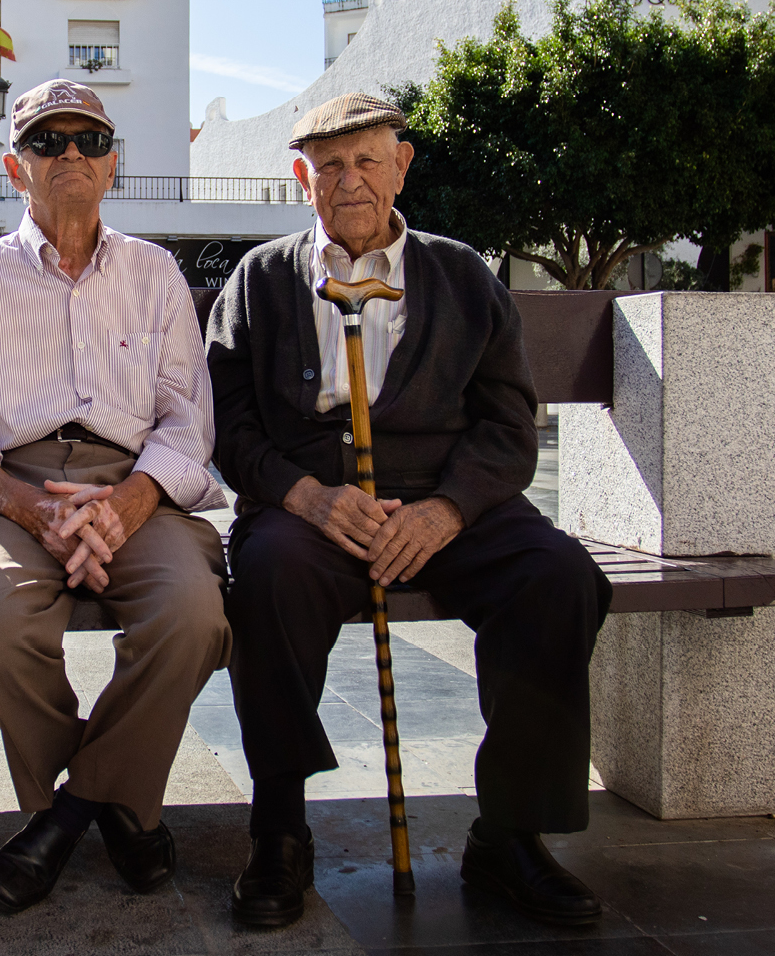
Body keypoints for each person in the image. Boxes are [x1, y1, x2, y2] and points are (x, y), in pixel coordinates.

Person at [206, 93, 611, 928]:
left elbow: (507, 426)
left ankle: (510, 833)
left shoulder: (461, 273)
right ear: (301, 180)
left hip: (448, 499)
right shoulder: (260, 279)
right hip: (311, 504)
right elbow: (228, 425)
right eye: (328, 167)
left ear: (402, 163)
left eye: (366, 160)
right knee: (270, 578)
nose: (349, 181)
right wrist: (307, 496)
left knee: (557, 576)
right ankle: (279, 828)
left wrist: (449, 511)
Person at [0, 79, 231, 913]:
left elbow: (188, 418)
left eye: (89, 138)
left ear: (114, 162)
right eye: (49, 141)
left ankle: (70, 810)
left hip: (138, 487)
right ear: (18, 167)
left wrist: (132, 500)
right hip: (11, 489)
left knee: (193, 616)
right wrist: (26, 505)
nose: (71, 154)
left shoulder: (156, 274)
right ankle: (120, 803)